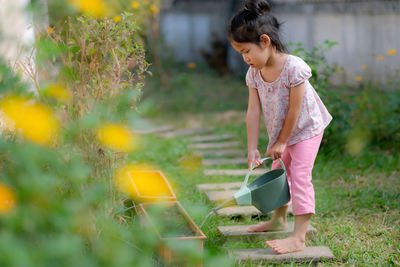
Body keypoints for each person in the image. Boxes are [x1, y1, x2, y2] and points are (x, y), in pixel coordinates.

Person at [228, 0, 333, 254]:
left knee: (299, 175)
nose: (245, 59)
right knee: (278, 171)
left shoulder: (294, 68)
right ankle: (278, 219)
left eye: (246, 51)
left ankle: (298, 237)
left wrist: (283, 141)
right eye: (240, 53)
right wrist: (252, 148)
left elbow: (295, 110)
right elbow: (253, 112)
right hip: (282, 135)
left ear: (265, 41)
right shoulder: (254, 73)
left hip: (306, 128)